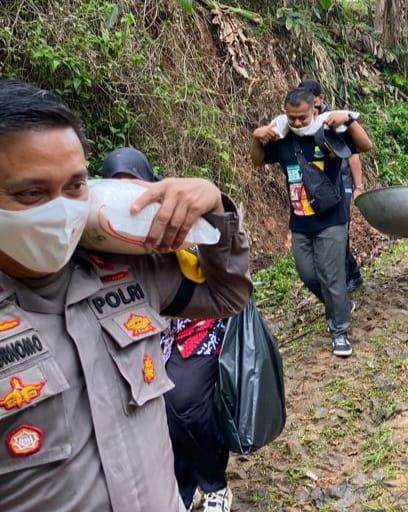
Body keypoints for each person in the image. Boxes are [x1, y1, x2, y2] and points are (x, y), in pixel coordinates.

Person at [0, 79, 252, 512]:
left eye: (75, 187)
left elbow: (226, 295)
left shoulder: (123, 268)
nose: (60, 210)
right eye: (31, 193)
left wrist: (215, 208)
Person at [101, 149, 233, 512]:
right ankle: (184, 485)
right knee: (161, 413)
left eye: (134, 189)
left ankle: (215, 482)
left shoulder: (174, 215)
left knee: (187, 402)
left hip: (196, 321)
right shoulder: (98, 233)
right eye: (116, 191)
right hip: (148, 332)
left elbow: (221, 281)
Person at [250, 88, 374, 357]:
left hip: (331, 219)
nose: (296, 123)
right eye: (291, 117)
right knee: (308, 275)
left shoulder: (327, 132)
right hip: (300, 223)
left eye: (302, 118)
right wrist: (257, 139)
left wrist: (349, 121)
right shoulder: (282, 139)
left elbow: (365, 146)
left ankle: (339, 331)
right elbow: (258, 162)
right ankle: (337, 305)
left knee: (332, 277)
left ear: (314, 112)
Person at [297, 79, 364, 294]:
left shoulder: (334, 120)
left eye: (312, 98)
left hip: (340, 183)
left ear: (321, 98)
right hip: (317, 187)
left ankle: (346, 279)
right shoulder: (302, 123)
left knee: (339, 231)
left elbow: (354, 154)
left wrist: (358, 186)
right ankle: (350, 274)